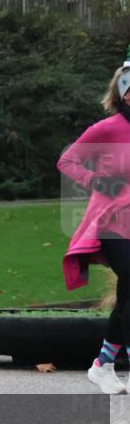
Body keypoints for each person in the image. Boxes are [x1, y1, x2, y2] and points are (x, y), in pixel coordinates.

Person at [59, 52, 130, 394]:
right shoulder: (108, 128)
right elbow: (67, 160)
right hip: (112, 223)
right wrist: (99, 182)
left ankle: (103, 365)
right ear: (121, 92)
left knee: (128, 293)